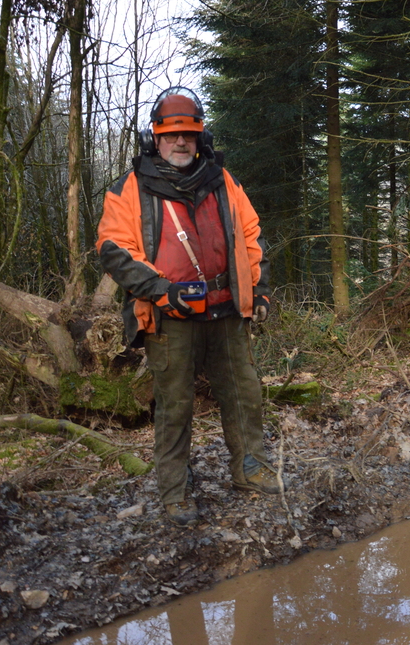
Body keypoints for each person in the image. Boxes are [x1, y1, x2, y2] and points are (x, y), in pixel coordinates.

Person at [96, 87, 287, 526]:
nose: (181, 142)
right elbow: (113, 248)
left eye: (189, 134)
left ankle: (251, 469)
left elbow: (251, 234)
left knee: (244, 393)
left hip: (225, 308)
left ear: (200, 136)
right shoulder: (131, 188)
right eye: (171, 135)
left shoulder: (223, 181)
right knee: (176, 403)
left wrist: (256, 290)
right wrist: (163, 290)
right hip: (170, 315)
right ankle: (175, 489)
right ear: (154, 138)